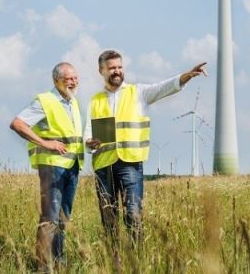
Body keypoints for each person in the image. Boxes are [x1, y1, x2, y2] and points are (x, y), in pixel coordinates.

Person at [85, 49, 207, 245]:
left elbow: (164, 87)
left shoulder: (138, 92)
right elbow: (88, 130)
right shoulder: (95, 100)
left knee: (133, 214)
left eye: (119, 67)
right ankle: (114, 261)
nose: (117, 71)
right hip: (103, 165)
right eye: (111, 68)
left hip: (130, 164)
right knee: (109, 216)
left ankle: (137, 259)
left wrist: (186, 76)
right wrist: (89, 142)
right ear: (101, 71)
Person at [9, 62, 84, 271]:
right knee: (49, 218)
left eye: (75, 78)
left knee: (62, 219)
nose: (73, 82)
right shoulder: (45, 100)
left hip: (72, 166)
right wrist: (45, 143)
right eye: (69, 78)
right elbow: (17, 123)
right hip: (52, 167)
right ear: (56, 80)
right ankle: (43, 267)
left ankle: (58, 263)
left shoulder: (73, 102)